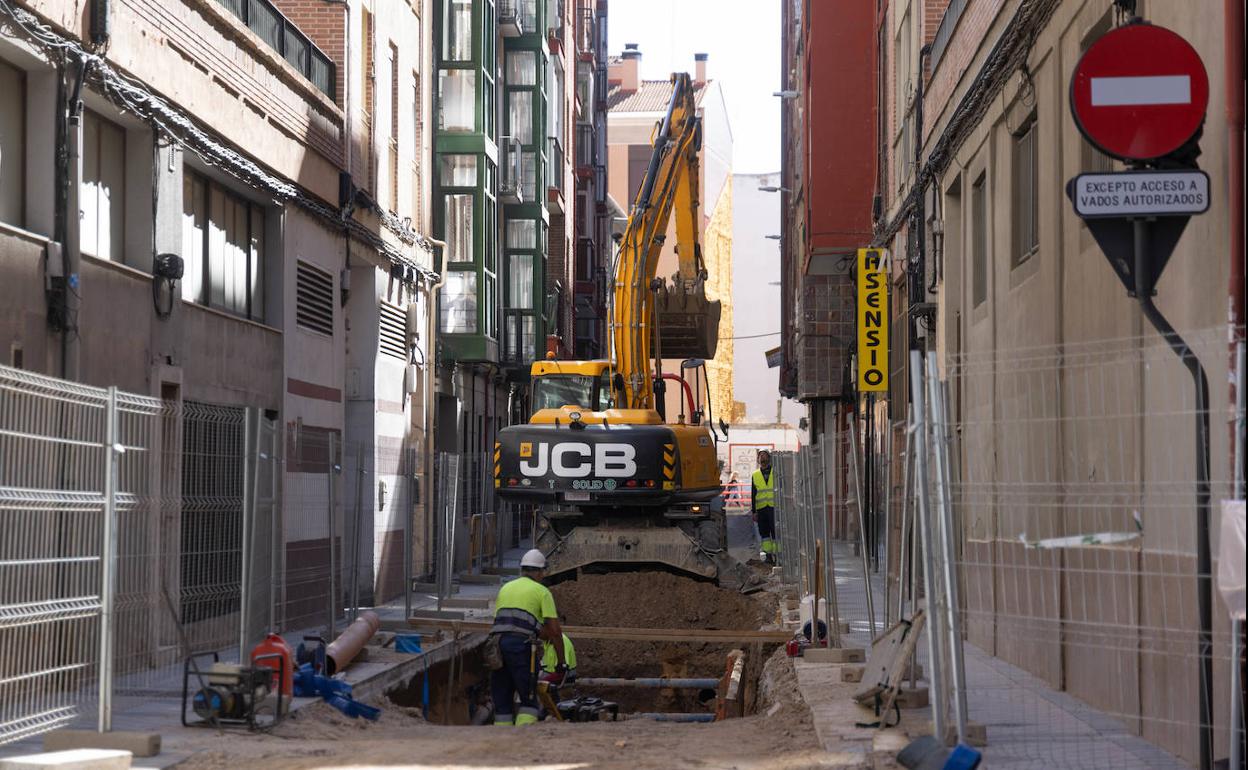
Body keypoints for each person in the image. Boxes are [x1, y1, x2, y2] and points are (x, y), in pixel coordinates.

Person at [490, 549, 566, 726]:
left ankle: (500, 737)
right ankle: (524, 737)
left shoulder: (506, 588)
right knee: (528, 699)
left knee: (502, 700)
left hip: (497, 647)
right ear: (540, 572)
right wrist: (561, 663)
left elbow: (509, 622)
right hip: (521, 647)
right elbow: (555, 632)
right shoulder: (542, 591)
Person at [752, 450, 778, 561]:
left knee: (775, 531)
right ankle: (768, 556)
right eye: (760, 456)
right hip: (761, 508)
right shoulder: (755, 475)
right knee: (764, 533)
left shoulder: (775, 472)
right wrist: (754, 511)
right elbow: (753, 494)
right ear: (758, 460)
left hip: (774, 507)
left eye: (764, 455)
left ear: (769, 458)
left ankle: (778, 555)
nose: (762, 458)